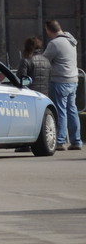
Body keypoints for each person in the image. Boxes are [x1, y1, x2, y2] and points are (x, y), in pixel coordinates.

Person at [42, 20, 81, 151]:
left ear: (49, 30)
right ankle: (76, 141)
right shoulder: (71, 40)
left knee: (60, 111)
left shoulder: (54, 43)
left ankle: (60, 141)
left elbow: (44, 60)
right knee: (72, 111)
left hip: (60, 81)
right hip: (73, 80)